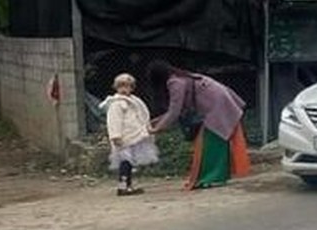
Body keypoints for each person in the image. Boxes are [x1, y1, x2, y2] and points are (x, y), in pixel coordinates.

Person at [147, 60, 251, 190]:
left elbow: (174, 111)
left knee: (209, 143)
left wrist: (158, 128)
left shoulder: (175, 83)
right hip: (221, 103)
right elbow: (176, 110)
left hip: (216, 108)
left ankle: (209, 178)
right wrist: (157, 121)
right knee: (217, 141)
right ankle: (217, 177)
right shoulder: (182, 76)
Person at [99, 73, 159, 196]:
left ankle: (128, 185)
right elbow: (114, 121)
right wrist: (115, 136)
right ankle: (122, 186)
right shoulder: (116, 103)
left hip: (134, 135)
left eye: (127, 86)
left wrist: (147, 127)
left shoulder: (135, 101)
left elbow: (142, 115)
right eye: (121, 86)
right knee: (125, 161)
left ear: (132, 87)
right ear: (116, 87)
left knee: (130, 162)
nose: (124, 89)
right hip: (124, 137)